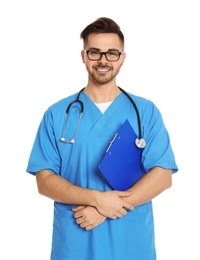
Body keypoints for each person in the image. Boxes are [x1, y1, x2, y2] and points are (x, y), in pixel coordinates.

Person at [26, 17, 178, 260]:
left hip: (129, 243)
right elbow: (44, 181)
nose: (103, 60)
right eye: (95, 52)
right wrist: (97, 199)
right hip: (75, 241)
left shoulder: (145, 112)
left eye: (112, 53)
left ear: (122, 58)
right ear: (83, 56)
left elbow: (162, 176)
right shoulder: (57, 114)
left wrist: (105, 210)